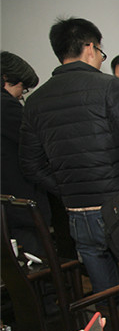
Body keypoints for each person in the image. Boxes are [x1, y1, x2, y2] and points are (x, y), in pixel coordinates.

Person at [19, 17, 119, 295]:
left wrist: (66, 188)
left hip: (76, 211)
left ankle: (109, 323)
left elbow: (30, 164)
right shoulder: (108, 86)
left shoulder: (35, 101)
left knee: (104, 291)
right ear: (90, 47)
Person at [1, 51, 51, 257]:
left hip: (7, 204)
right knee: (37, 257)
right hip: (19, 202)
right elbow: (36, 143)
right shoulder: (6, 106)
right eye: (22, 88)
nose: (21, 95)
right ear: (7, 78)